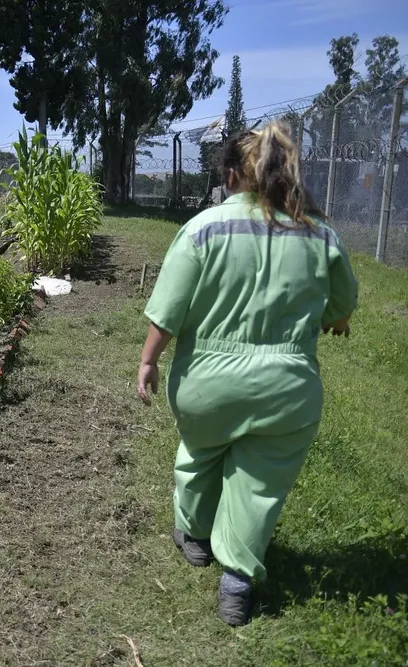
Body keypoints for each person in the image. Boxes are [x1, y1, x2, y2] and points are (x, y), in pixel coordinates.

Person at [136, 121, 358, 626]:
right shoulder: (317, 232)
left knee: (198, 452)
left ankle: (193, 537)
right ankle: (237, 579)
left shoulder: (204, 228)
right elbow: (343, 303)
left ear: (233, 175)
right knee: (260, 482)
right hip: (287, 388)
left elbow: (169, 309)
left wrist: (148, 360)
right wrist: (335, 320)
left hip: (205, 385)